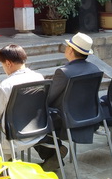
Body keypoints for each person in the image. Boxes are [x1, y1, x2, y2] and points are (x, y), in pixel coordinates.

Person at [35, 33, 98, 170]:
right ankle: (54, 154)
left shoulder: (64, 72)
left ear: (70, 50)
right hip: (89, 116)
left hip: (65, 120)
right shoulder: (95, 69)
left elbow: (49, 98)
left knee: (32, 115)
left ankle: (54, 151)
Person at [0, 44, 44, 155]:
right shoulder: (39, 77)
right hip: (38, 131)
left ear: (8, 63)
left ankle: (7, 163)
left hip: (12, 137)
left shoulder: (6, 85)